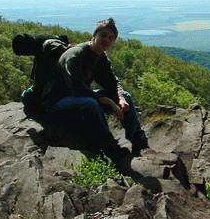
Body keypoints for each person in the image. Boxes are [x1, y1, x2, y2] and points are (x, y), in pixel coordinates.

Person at [42, 18, 148, 175]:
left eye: (111, 38)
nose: (107, 40)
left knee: (126, 95)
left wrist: (119, 98)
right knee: (91, 103)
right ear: (94, 36)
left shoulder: (100, 57)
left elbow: (112, 82)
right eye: (103, 35)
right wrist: (107, 101)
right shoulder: (75, 55)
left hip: (78, 97)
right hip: (56, 101)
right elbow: (76, 88)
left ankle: (139, 143)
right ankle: (112, 150)